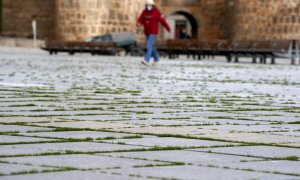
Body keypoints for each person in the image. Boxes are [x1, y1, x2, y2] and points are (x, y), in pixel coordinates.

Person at [137, 0, 171, 66]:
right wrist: (138, 23)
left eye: (149, 5)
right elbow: (141, 19)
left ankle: (146, 60)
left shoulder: (157, 12)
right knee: (151, 46)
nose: (148, 6)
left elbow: (163, 21)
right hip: (147, 31)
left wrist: (168, 28)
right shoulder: (144, 12)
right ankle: (156, 59)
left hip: (153, 32)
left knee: (149, 45)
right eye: (147, 5)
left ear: (152, 5)